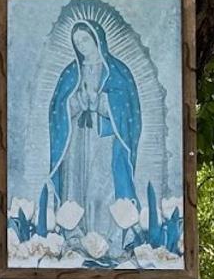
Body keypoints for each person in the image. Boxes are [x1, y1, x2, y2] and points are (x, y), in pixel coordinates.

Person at [45, 18, 143, 250]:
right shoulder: (71, 72)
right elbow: (57, 107)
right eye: (77, 41)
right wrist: (77, 101)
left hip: (105, 140)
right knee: (75, 183)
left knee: (103, 184)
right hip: (77, 140)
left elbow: (128, 107)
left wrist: (100, 102)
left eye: (85, 39)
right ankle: (76, 237)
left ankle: (107, 238)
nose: (81, 45)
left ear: (98, 38)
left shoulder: (117, 71)